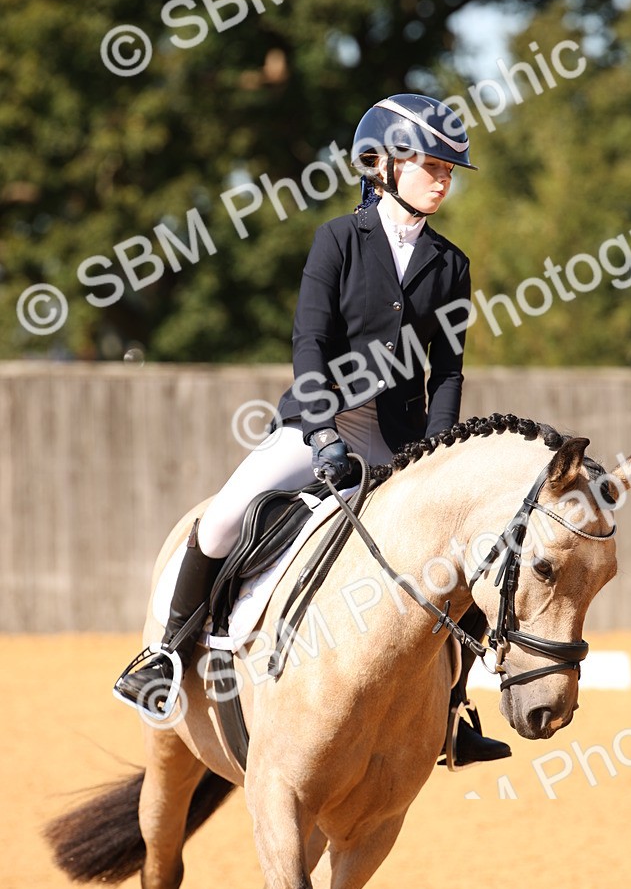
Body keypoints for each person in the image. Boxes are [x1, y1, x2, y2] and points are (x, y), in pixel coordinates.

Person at [114, 93, 511, 768]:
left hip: (397, 443)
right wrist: (324, 435)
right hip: (316, 424)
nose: (444, 180)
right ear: (383, 165)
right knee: (221, 520)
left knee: (462, 557)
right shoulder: (338, 240)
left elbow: (447, 372)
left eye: (450, 171)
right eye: (433, 166)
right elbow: (310, 343)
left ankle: (452, 710)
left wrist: (438, 456)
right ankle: (162, 659)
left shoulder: (451, 265)